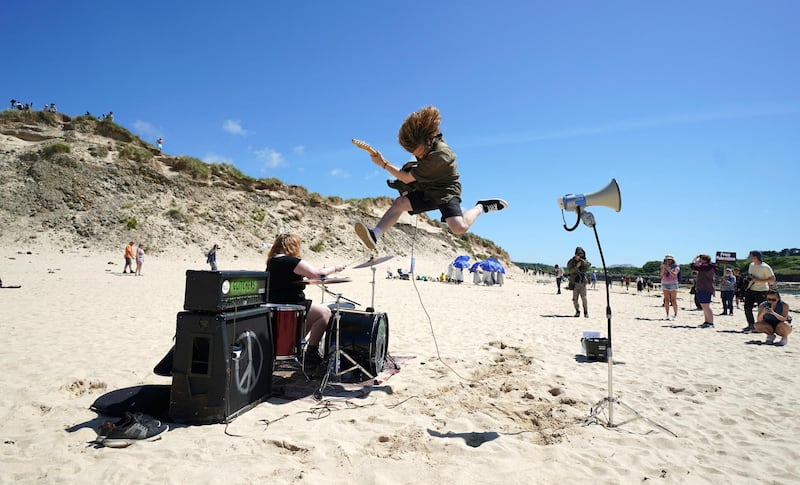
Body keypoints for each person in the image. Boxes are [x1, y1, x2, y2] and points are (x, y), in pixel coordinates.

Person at [354, 106, 508, 250]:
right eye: (415, 153)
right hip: (427, 188)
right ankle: (375, 235)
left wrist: (383, 164)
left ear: (429, 140)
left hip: (445, 189)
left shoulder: (441, 154)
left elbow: (408, 178)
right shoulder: (426, 143)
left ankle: (481, 207)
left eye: (420, 152)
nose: (418, 156)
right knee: (400, 203)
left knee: (458, 228)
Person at [266, 233, 346, 369]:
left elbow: (287, 281)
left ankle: (296, 348)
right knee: (324, 313)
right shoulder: (289, 261)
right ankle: (311, 352)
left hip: (278, 302)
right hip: (291, 303)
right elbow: (318, 273)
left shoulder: (272, 261)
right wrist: (335, 268)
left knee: (311, 316)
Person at [742, 250, 776, 333]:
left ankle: (761, 326)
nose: (749, 257)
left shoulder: (765, 267)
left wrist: (759, 281)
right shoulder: (751, 265)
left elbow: (773, 279)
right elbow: (751, 276)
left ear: (755, 257)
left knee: (762, 310)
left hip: (762, 291)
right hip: (751, 289)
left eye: (750, 256)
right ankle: (751, 325)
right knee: (747, 308)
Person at [690, 254, 717, 328]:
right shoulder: (707, 266)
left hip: (705, 288)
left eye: (700, 259)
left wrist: (695, 258)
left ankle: (711, 322)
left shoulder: (706, 267)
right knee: (704, 306)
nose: (699, 260)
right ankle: (707, 321)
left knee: (706, 306)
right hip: (703, 288)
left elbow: (693, 266)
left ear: (704, 260)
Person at [567, 247, 591, 317]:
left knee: (584, 298)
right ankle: (577, 311)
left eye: (581, 253)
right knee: (575, 299)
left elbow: (588, 265)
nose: (579, 255)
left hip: (582, 282)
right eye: (578, 253)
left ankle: (586, 312)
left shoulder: (584, 260)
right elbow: (570, 271)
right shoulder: (571, 261)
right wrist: (576, 266)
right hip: (574, 283)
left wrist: (581, 260)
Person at [661, 254, 680, 320]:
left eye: (669, 259)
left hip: (673, 283)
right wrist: (663, 268)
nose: (668, 261)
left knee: (673, 300)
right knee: (666, 300)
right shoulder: (664, 266)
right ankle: (667, 315)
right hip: (665, 283)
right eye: (667, 260)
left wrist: (668, 269)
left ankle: (675, 315)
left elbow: (674, 274)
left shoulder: (676, 267)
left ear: (672, 260)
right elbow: (661, 274)